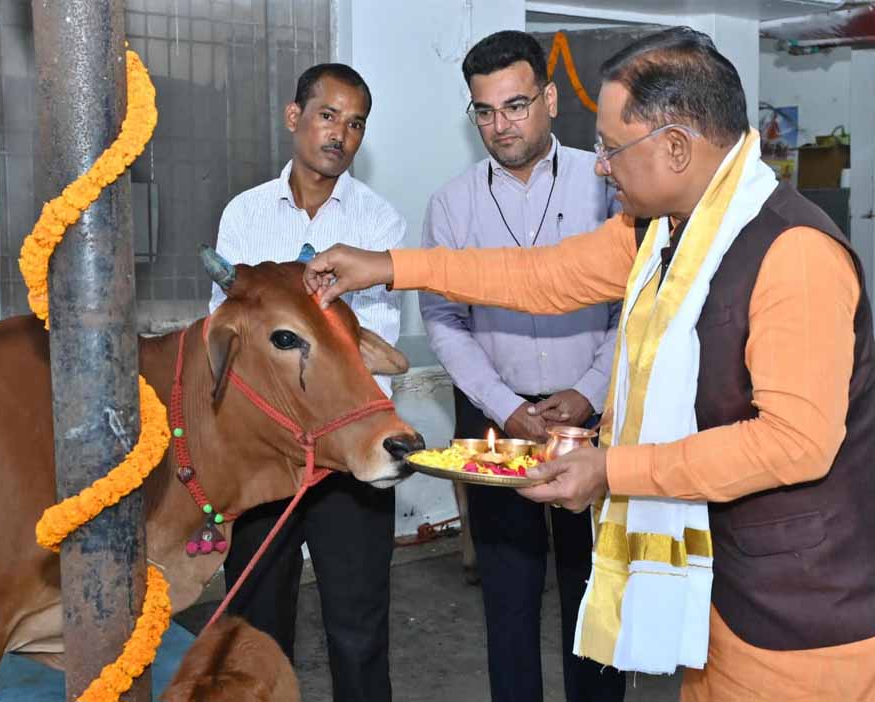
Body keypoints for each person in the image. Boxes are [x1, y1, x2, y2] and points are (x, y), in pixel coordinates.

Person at [303, 27, 875, 702]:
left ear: (675, 147)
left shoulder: (792, 253)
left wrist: (610, 470)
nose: (600, 167)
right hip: (718, 589)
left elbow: (794, 445)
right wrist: (389, 266)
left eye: (611, 148)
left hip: (799, 616)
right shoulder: (665, 232)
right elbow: (541, 276)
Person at [419, 30, 624, 702]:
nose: (501, 125)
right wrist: (505, 407)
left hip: (590, 420)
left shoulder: (607, 185)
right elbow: (444, 320)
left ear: (551, 99)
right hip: (497, 421)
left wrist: (589, 391)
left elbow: (635, 307)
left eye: (516, 105)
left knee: (594, 597)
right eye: (484, 111)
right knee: (508, 598)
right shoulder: (452, 204)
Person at [209, 63, 404, 702]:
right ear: (295, 117)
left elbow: (373, 348)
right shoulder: (244, 215)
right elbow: (228, 335)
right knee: (256, 633)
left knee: (358, 629)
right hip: (265, 457)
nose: (339, 135)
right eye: (327, 116)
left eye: (355, 124)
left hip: (350, 456)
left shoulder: (378, 224)